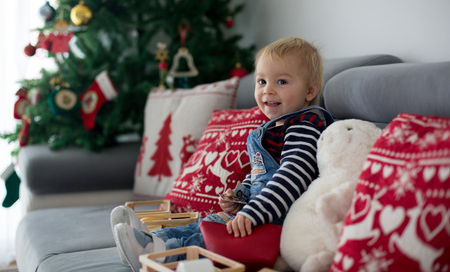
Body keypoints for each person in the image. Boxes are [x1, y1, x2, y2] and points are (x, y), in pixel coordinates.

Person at [110, 37, 334, 271]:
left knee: (215, 237)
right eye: (261, 81)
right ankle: (150, 238)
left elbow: (292, 176)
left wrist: (254, 212)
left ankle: (162, 254)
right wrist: (240, 196)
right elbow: (260, 175)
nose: (268, 89)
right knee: (206, 224)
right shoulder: (271, 128)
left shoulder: (304, 125)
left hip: (277, 220)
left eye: (281, 81)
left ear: (310, 90)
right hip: (259, 211)